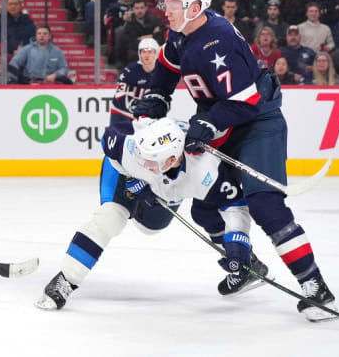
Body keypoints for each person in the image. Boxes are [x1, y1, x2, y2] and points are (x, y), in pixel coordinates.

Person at [132, 0, 338, 322]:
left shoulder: (218, 40)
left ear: (196, 6)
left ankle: (316, 287)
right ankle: (247, 267)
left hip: (257, 124)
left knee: (265, 206)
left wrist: (208, 123)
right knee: (206, 208)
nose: (166, 7)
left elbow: (245, 101)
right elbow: (167, 65)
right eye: (166, 0)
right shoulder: (182, 31)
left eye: (173, 3)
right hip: (225, 122)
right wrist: (156, 95)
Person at [36, 117, 271, 310]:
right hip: (125, 174)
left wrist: (238, 240)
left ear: (172, 159)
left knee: (152, 228)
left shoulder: (205, 172)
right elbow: (110, 140)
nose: (143, 163)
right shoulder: (133, 150)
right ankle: (66, 279)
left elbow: (234, 206)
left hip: (168, 189)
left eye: (150, 162)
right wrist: (134, 177)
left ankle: (247, 261)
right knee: (110, 218)